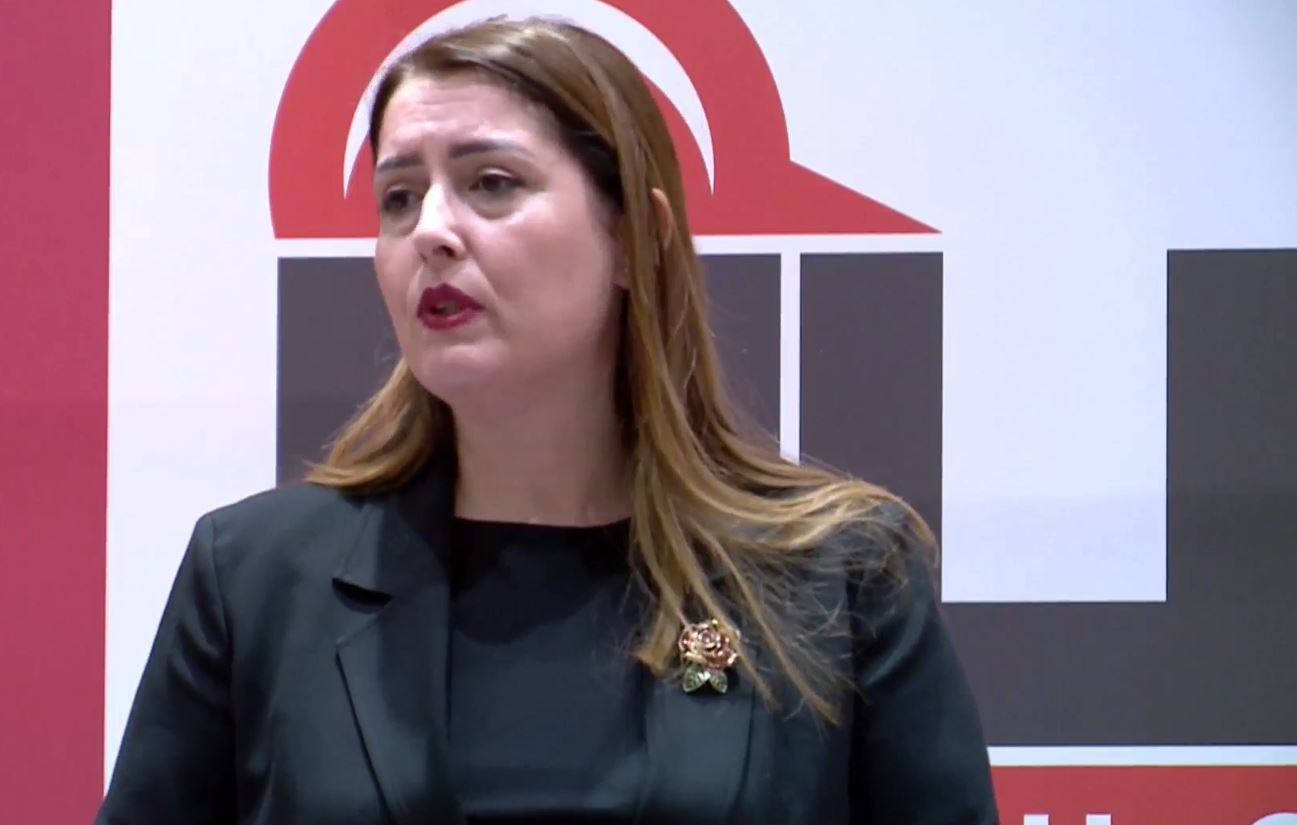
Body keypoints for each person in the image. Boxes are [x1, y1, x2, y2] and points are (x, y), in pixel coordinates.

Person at [97, 16, 998, 825]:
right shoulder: (254, 580)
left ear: (633, 239)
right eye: (399, 197)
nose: (431, 231)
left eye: (491, 183)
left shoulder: (837, 576)